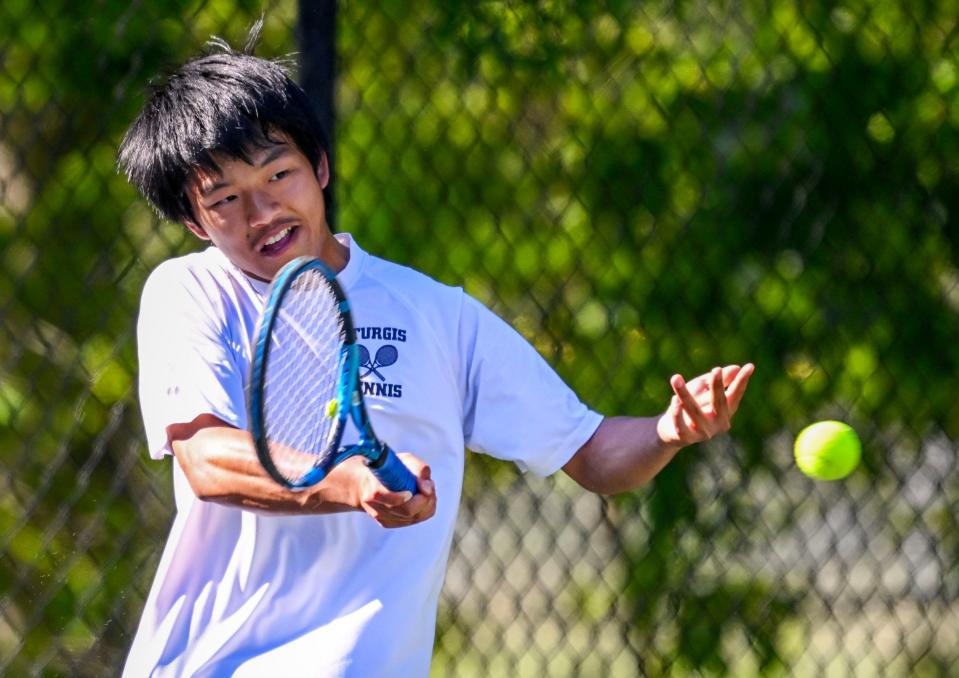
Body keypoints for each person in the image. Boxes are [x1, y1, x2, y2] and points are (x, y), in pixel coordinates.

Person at [117, 34, 754, 678]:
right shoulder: (190, 293)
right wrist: (351, 481)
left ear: (320, 168)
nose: (261, 211)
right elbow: (207, 459)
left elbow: (591, 453)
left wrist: (668, 431)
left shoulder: (434, 314)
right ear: (197, 223)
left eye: (278, 174)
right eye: (224, 199)